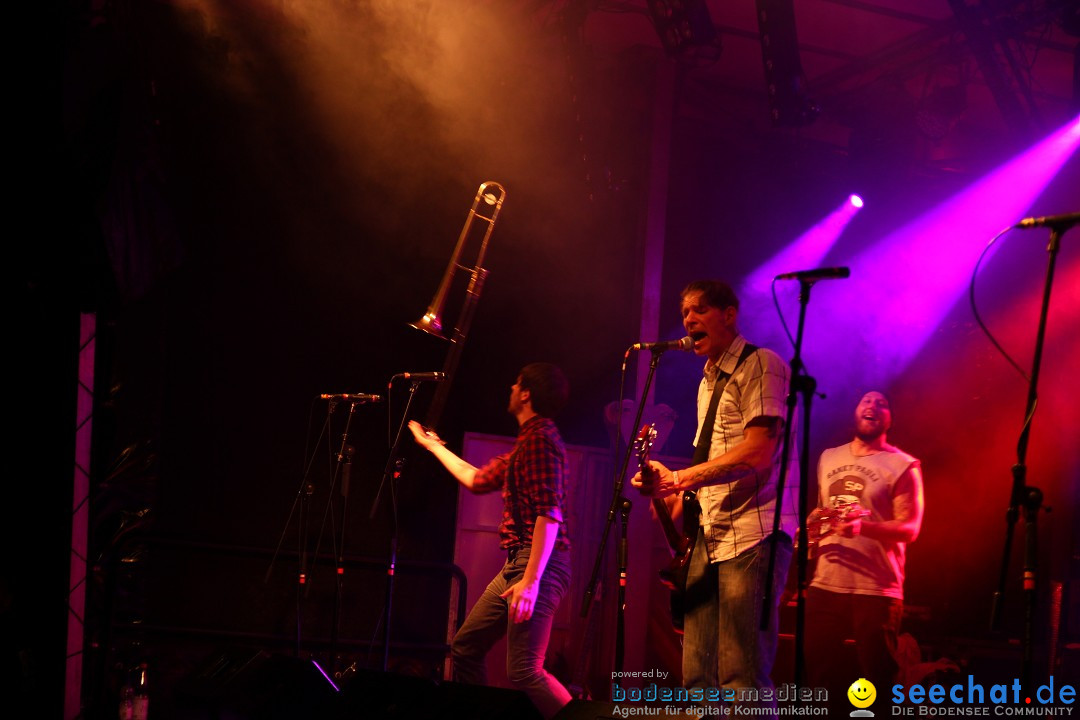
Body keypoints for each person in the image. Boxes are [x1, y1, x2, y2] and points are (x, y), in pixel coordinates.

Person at [632, 280, 798, 701]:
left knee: (742, 678)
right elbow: (716, 460)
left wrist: (680, 479)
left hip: (754, 533)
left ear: (729, 314)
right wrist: (664, 482)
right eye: (685, 311)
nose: (688, 319)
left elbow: (758, 452)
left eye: (700, 309)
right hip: (711, 533)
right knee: (697, 678)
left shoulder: (762, 364)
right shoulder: (708, 381)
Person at [408, 362, 572, 719]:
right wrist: (433, 447)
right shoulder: (526, 444)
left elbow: (550, 514)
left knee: (525, 670)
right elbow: (478, 479)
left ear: (526, 393)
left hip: (538, 565)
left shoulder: (541, 441)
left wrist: (530, 583)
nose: (510, 389)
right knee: (466, 647)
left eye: (516, 384)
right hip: (519, 564)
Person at [804, 390, 924, 701]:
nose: (872, 406)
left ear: (890, 419)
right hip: (826, 585)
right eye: (866, 401)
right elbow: (823, 512)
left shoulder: (903, 465)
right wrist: (813, 525)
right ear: (856, 411)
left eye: (882, 403)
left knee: (878, 681)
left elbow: (910, 528)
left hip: (876, 590)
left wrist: (864, 527)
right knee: (818, 675)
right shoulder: (828, 457)